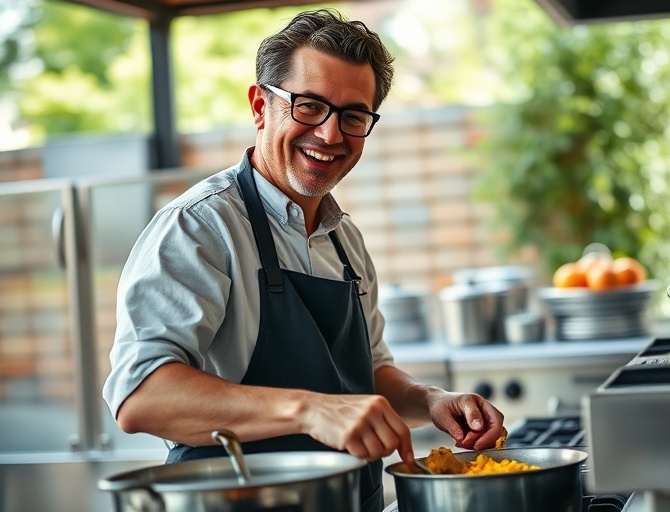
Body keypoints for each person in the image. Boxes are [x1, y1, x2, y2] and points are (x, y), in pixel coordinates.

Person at [101, 9, 505, 512]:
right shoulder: (199, 227)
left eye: (353, 116)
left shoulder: (344, 239)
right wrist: (309, 411)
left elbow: (369, 373)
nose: (331, 135)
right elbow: (141, 398)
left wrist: (430, 401)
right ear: (259, 105)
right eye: (309, 106)